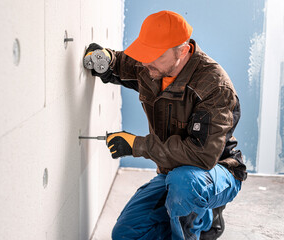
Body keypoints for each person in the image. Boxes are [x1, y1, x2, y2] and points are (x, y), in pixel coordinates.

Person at [84, 10, 247, 240]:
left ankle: (205, 219)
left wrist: (136, 145)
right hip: (172, 173)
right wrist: (106, 60)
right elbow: (123, 64)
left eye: (154, 56)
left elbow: (202, 156)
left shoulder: (214, 86)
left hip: (215, 172)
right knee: (125, 234)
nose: (146, 62)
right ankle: (196, 217)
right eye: (144, 54)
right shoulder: (154, 64)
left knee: (185, 183)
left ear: (182, 51)